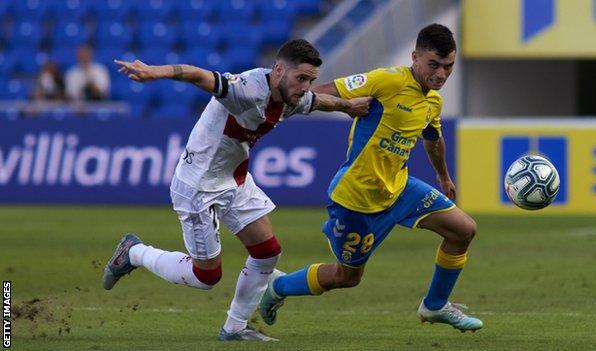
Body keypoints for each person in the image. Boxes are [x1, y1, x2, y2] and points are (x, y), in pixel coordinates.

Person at [102, 39, 371, 341]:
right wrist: (155, 72)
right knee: (206, 277)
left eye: (311, 80)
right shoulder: (246, 88)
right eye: (301, 79)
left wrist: (350, 107)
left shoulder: (295, 97)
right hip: (198, 185)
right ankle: (134, 252)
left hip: (235, 179)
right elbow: (196, 74)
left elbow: (321, 102)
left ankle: (234, 329)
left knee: (268, 253)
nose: (306, 87)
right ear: (279, 70)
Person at [259, 24, 483, 333]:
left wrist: (443, 176)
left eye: (448, 67)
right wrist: (343, 106)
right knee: (346, 277)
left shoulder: (433, 100)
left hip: (400, 188)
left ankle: (435, 306)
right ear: (415, 57)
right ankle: (278, 287)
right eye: (434, 65)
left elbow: (432, 137)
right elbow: (319, 92)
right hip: (357, 198)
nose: (441, 74)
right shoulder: (386, 80)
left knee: (463, 231)